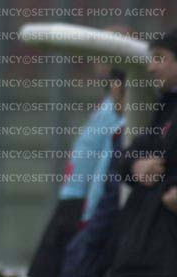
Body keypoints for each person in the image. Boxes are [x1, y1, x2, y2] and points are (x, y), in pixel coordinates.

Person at [108, 27, 177, 277]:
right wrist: (137, 166)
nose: (151, 68)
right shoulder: (169, 106)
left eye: (160, 58)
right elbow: (128, 155)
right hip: (151, 244)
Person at [27, 68, 126, 277]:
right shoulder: (109, 106)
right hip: (76, 200)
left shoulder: (122, 116)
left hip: (84, 205)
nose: (98, 63)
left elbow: (104, 171)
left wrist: (89, 213)